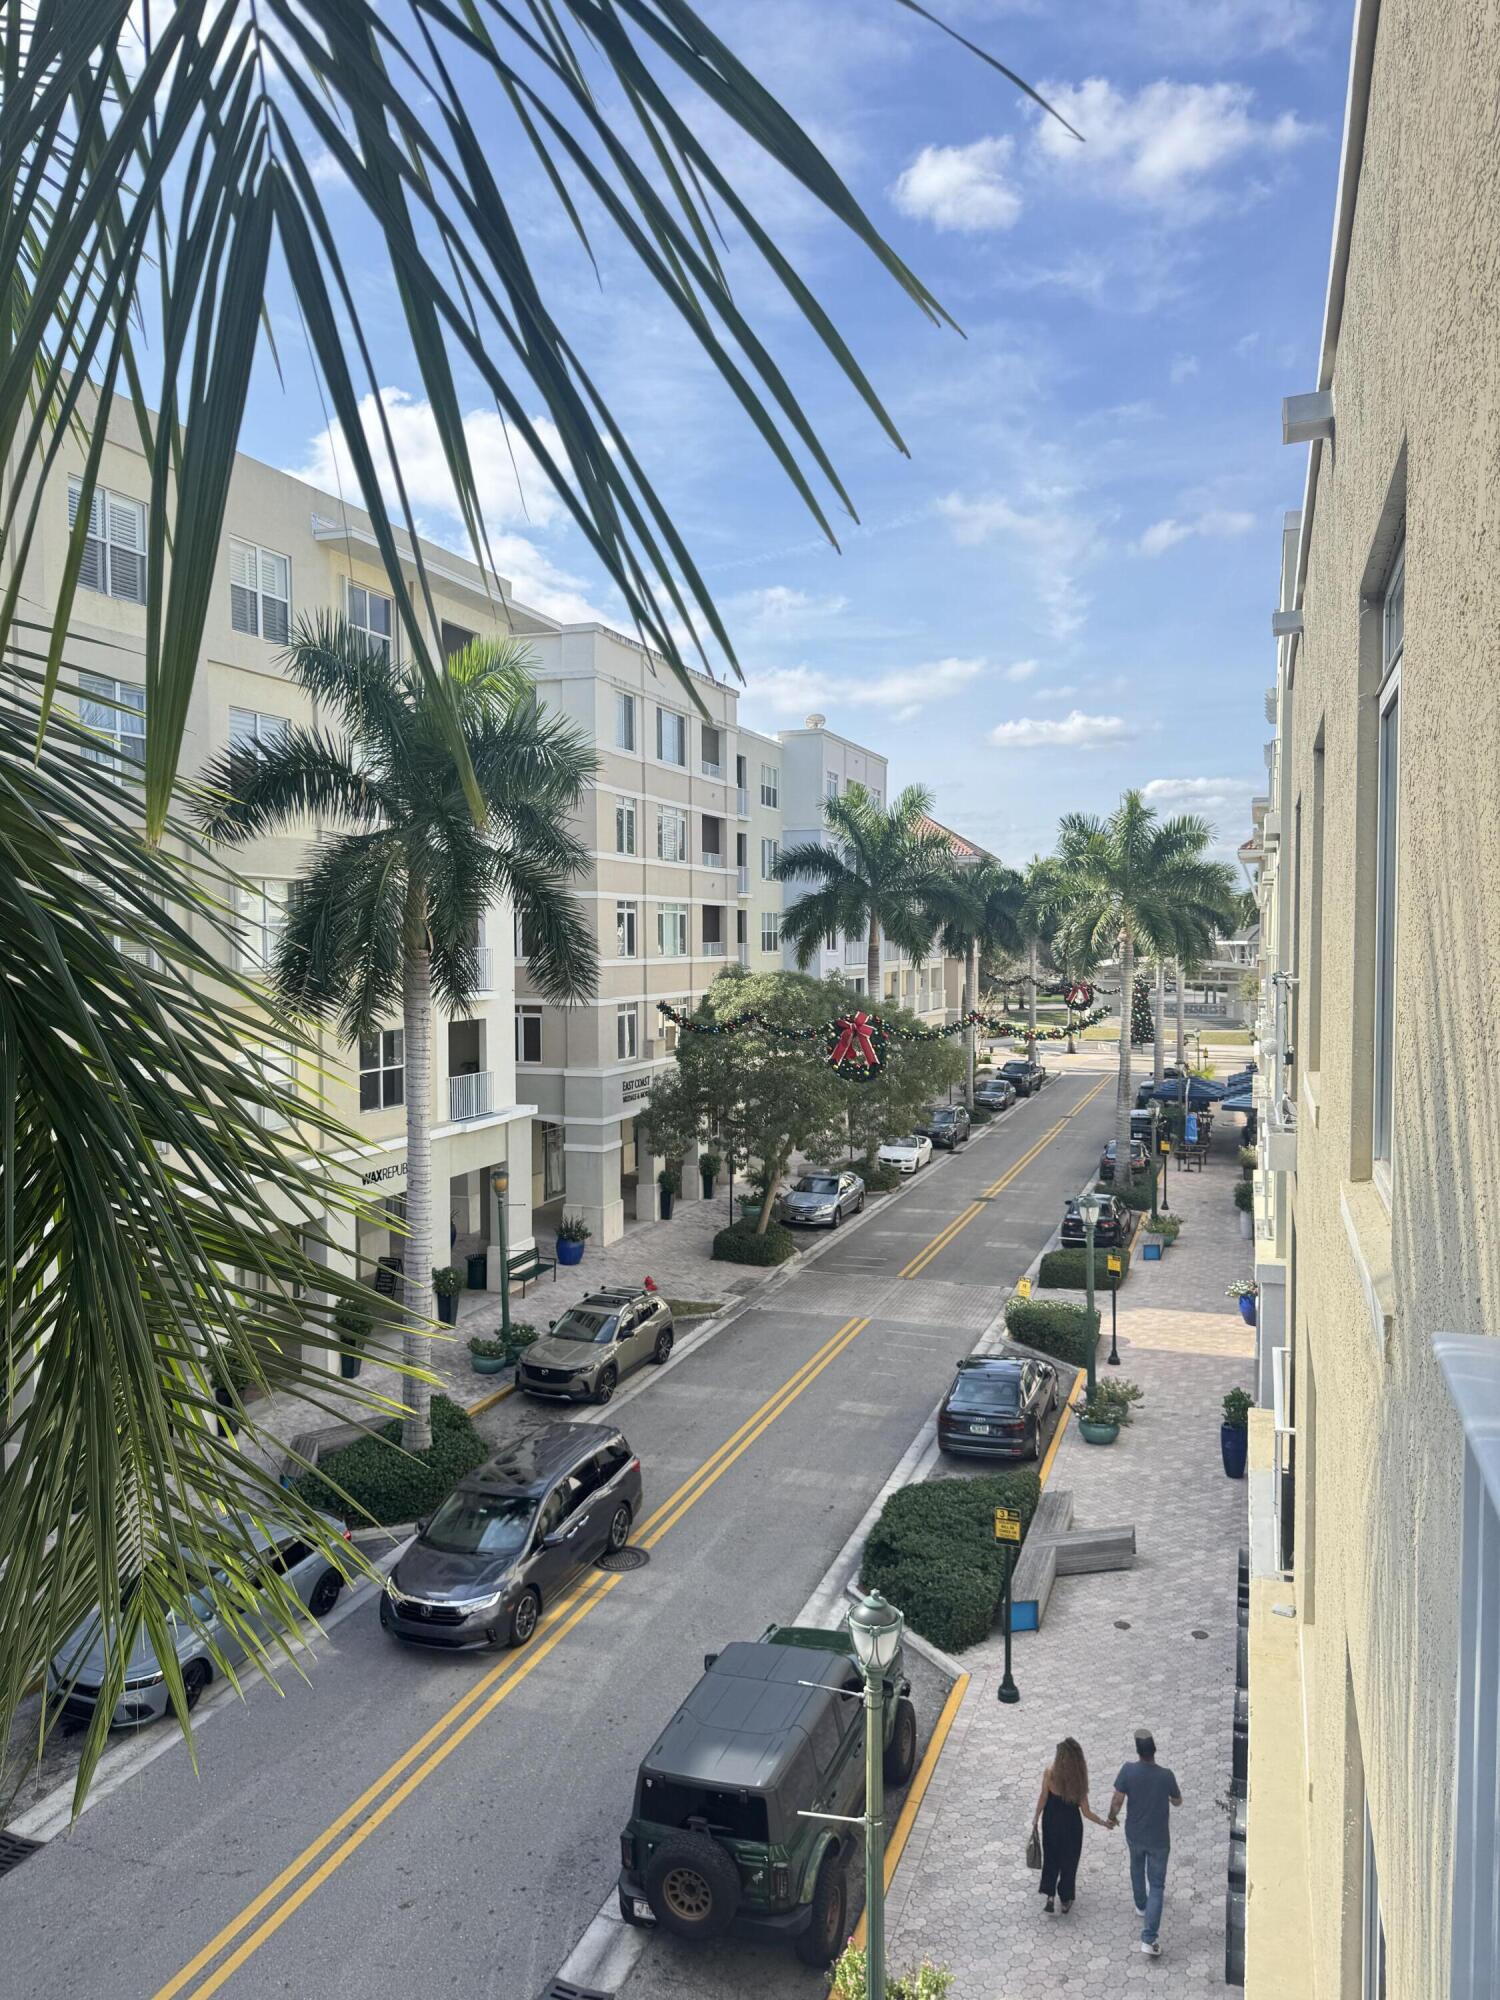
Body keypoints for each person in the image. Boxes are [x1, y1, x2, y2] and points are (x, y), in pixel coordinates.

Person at [1108, 1729, 1183, 1956]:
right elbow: (1178, 1801)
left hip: (1134, 1833)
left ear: (1138, 1751)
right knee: (1157, 1885)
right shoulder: (1166, 1775)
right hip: (1159, 1839)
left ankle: (1141, 1904)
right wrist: (1169, 1798)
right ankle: (1149, 1939)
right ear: (1154, 1751)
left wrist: (1111, 1818)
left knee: (1136, 1867)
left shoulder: (1128, 1771)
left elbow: (1117, 1799)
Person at [1031, 1737, 1112, 1914]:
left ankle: (1050, 1896)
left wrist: (1036, 1817)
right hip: (1071, 1826)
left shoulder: (1050, 1773)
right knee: (1069, 1861)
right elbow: (1086, 1812)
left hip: (1051, 1822)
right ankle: (1065, 1899)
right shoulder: (1078, 1781)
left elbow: (1043, 1797)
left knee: (1051, 1858)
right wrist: (1103, 1822)